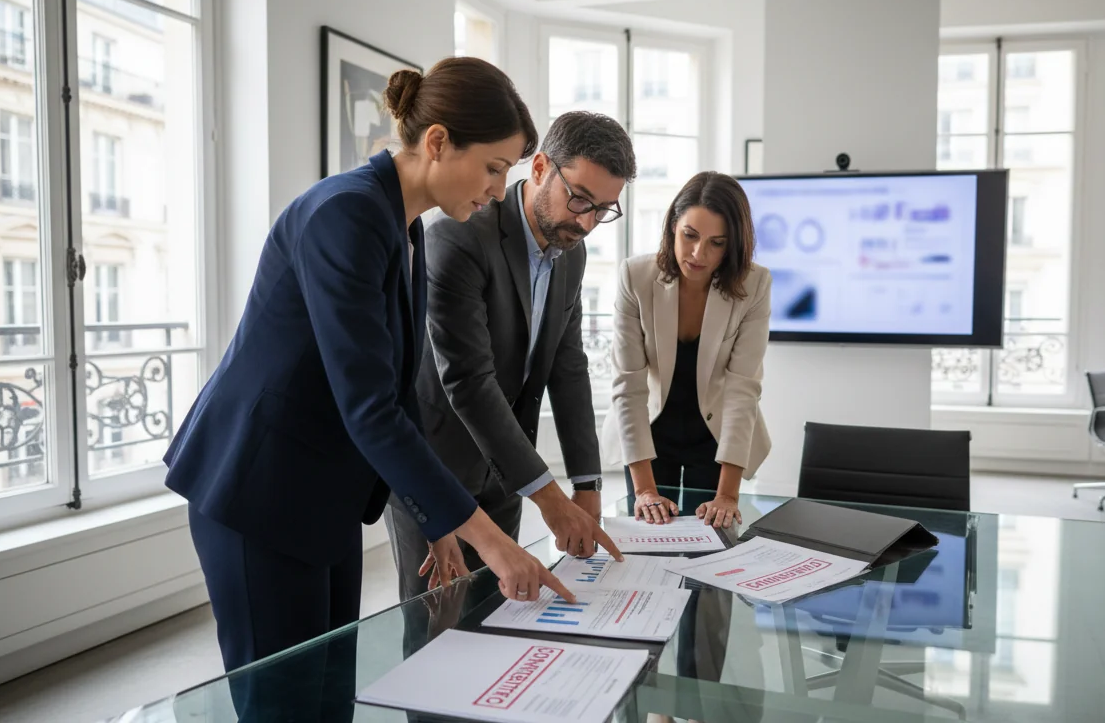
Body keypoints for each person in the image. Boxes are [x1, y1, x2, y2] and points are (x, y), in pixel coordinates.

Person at [164, 57, 576, 678]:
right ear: (437, 142)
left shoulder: (400, 224)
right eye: (494, 168)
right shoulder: (347, 213)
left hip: (323, 493)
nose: (498, 190)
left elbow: (399, 392)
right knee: (283, 702)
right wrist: (492, 541)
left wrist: (441, 524)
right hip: (260, 490)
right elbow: (370, 407)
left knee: (330, 693)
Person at [390, 111, 636, 601]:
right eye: (580, 199)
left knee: (494, 615)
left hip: (507, 474)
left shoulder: (573, 249)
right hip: (438, 467)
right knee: (436, 626)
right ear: (541, 167)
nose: (587, 222)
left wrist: (586, 481)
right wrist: (550, 498)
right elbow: (469, 381)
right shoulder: (458, 236)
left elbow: (568, 367)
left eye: (604, 209)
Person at [602, 171, 772, 526]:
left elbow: (743, 389)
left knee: (712, 553)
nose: (698, 253)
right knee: (648, 544)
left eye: (717, 243)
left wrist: (727, 495)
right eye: (690, 236)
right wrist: (645, 490)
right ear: (672, 229)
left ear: (733, 245)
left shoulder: (754, 284)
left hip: (715, 437)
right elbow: (629, 385)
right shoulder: (636, 276)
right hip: (650, 431)